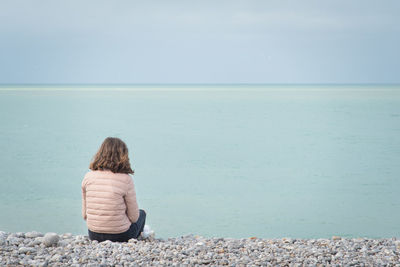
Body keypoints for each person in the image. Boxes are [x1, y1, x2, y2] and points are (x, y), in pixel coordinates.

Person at [81, 137, 146, 242]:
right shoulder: (126, 179)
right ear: (123, 156)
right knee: (142, 213)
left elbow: (84, 215)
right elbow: (134, 217)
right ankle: (141, 236)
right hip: (120, 236)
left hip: (94, 234)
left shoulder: (88, 177)